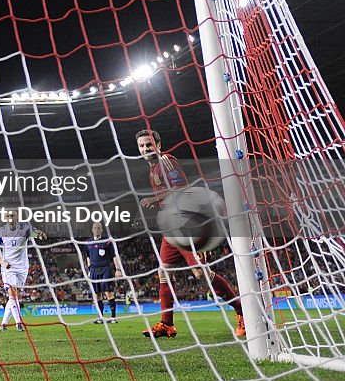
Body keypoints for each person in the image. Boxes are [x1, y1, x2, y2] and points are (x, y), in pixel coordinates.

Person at [135, 129, 246, 338]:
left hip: (186, 226)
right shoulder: (153, 169)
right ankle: (167, 324)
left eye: (149, 144)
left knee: (200, 273)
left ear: (158, 145)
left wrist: (153, 199)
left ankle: (243, 312)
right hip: (172, 228)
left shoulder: (166, 161)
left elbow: (182, 188)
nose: (145, 149)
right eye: (142, 146)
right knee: (164, 273)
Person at [0, 210, 46, 332]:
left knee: (13, 297)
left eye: (12, 215)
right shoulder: (1, 232)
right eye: (8, 216)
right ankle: (19, 323)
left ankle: (3, 324)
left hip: (22, 267)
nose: (10, 217)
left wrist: (40, 235)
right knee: (13, 293)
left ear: (17, 216)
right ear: (5, 218)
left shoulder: (25, 228)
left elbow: (35, 233)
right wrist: (3, 263)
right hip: (8, 267)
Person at [84, 221, 120, 324]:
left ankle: (113, 317)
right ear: (92, 229)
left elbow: (114, 256)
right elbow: (88, 256)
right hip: (94, 270)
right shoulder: (88, 242)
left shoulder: (107, 241)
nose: (97, 230)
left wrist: (118, 269)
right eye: (95, 228)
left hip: (105, 268)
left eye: (99, 228)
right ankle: (101, 317)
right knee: (97, 294)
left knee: (108, 292)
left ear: (102, 230)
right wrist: (89, 269)